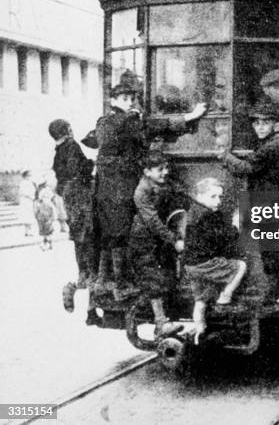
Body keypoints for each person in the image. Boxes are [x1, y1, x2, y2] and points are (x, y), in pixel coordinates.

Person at [94, 75, 206, 302]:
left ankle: (104, 283)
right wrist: (191, 116)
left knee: (110, 235)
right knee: (122, 234)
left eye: (132, 98)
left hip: (104, 186)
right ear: (114, 100)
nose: (130, 102)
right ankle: (122, 285)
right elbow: (154, 126)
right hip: (121, 185)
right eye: (124, 98)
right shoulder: (126, 120)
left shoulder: (103, 121)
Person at [220, 101, 279, 306]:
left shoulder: (273, 145)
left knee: (275, 249)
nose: (260, 127)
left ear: (275, 124)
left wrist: (225, 156)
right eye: (256, 123)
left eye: (265, 123)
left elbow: (246, 167)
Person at [130, 152, 189, 340]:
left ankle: (162, 324)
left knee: (163, 278)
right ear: (147, 171)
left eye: (166, 168)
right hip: (144, 240)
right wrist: (174, 240)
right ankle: (161, 323)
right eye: (160, 169)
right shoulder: (141, 191)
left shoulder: (160, 184)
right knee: (153, 281)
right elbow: (152, 221)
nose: (165, 172)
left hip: (157, 239)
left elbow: (180, 193)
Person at [48, 119, 101, 326]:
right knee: (95, 260)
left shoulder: (58, 150)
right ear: (68, 130)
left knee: (84, 260)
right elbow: (77, 170)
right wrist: (90, 165)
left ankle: (80, 294)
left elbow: (62, 177)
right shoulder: (71, 146)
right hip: (83, 204)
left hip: (73, 208)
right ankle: (86, 304)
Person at [184, 178, 247, 342]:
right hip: (205, 264)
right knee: (240, 266)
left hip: (191, 266)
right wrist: (235, 225)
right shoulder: (206, 215)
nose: (218, 201)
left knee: (201, 301)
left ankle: (199, 333)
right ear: (199, 196)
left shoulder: (194, 211)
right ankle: (225, 297)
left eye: (220, 197)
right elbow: (223, 237)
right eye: (213, 197)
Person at [35, 181, 56, 250]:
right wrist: (54, 218)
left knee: (44, 231)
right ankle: (50, 244)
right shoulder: (49, 191)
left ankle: (45, 243)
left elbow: (39, 200)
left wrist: (36, 216)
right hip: (48, 215)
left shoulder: (41, 202)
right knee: (49, 230)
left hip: (43, 217)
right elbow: (53, 199)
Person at [18, 170, 36, 237]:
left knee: (30, 216)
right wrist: (31, 197)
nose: (29, 177)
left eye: (30, 175)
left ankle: (28, 231)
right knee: (26, 216)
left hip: (30, 201)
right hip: (26, 201)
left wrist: (33, 198)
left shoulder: (30, 182)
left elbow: (33, 191)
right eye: (28, 175)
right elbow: (23, 193)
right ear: (25, 176)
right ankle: (27, 231)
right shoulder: (23, 183)